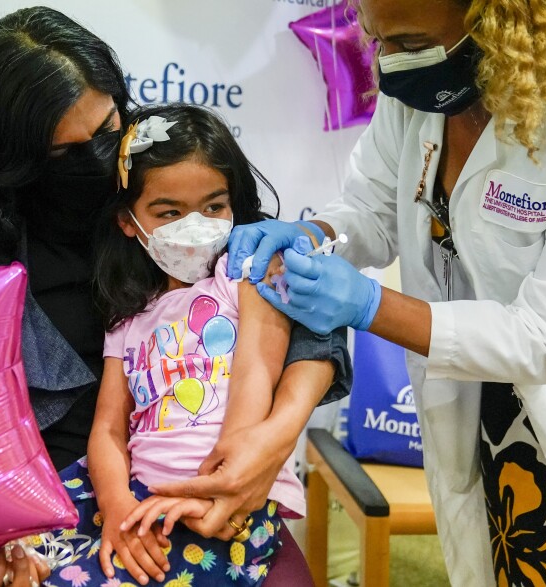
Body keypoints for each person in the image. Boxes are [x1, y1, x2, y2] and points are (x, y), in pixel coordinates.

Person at [0, 7, 350, 586]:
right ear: (12, 156)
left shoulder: (163, 171)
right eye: (62, 151)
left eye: (106, 129)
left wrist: (270, 441)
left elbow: (307, 318)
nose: (97, 159)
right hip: (50, 496)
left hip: (209, 485)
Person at [223, 0, 546, 584]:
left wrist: (370, 305)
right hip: (476, 414)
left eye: (409, 43)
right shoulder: (418, 94)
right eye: (378, 39)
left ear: (498, 24)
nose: (387, 65)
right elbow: (372, 210)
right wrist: (316, 233)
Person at [40, 103, 349, 587]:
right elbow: (108, 429)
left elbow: (256, 373)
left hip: (233, 493)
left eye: (213, 207)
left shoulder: (244, 274)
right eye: (169, 212)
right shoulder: (128, 315)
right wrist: (118, 504)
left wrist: (221, 478)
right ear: (128, 221)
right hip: (141, 494)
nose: (196, 224)